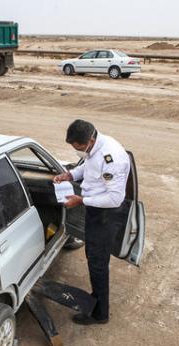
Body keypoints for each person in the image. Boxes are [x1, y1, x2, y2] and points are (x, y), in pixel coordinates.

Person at [53, 119, 130, 325]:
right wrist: (70, 175)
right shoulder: (94, 148)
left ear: (90, 140)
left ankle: (100, 313)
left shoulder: (111, 158)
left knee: (98, 264)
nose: (77, 151)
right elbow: (88, 167)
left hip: (106, 215)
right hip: (95, 209)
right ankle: (97, 299)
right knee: (93, 257)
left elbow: (115, 199)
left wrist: (82, 200)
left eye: (78, 147)